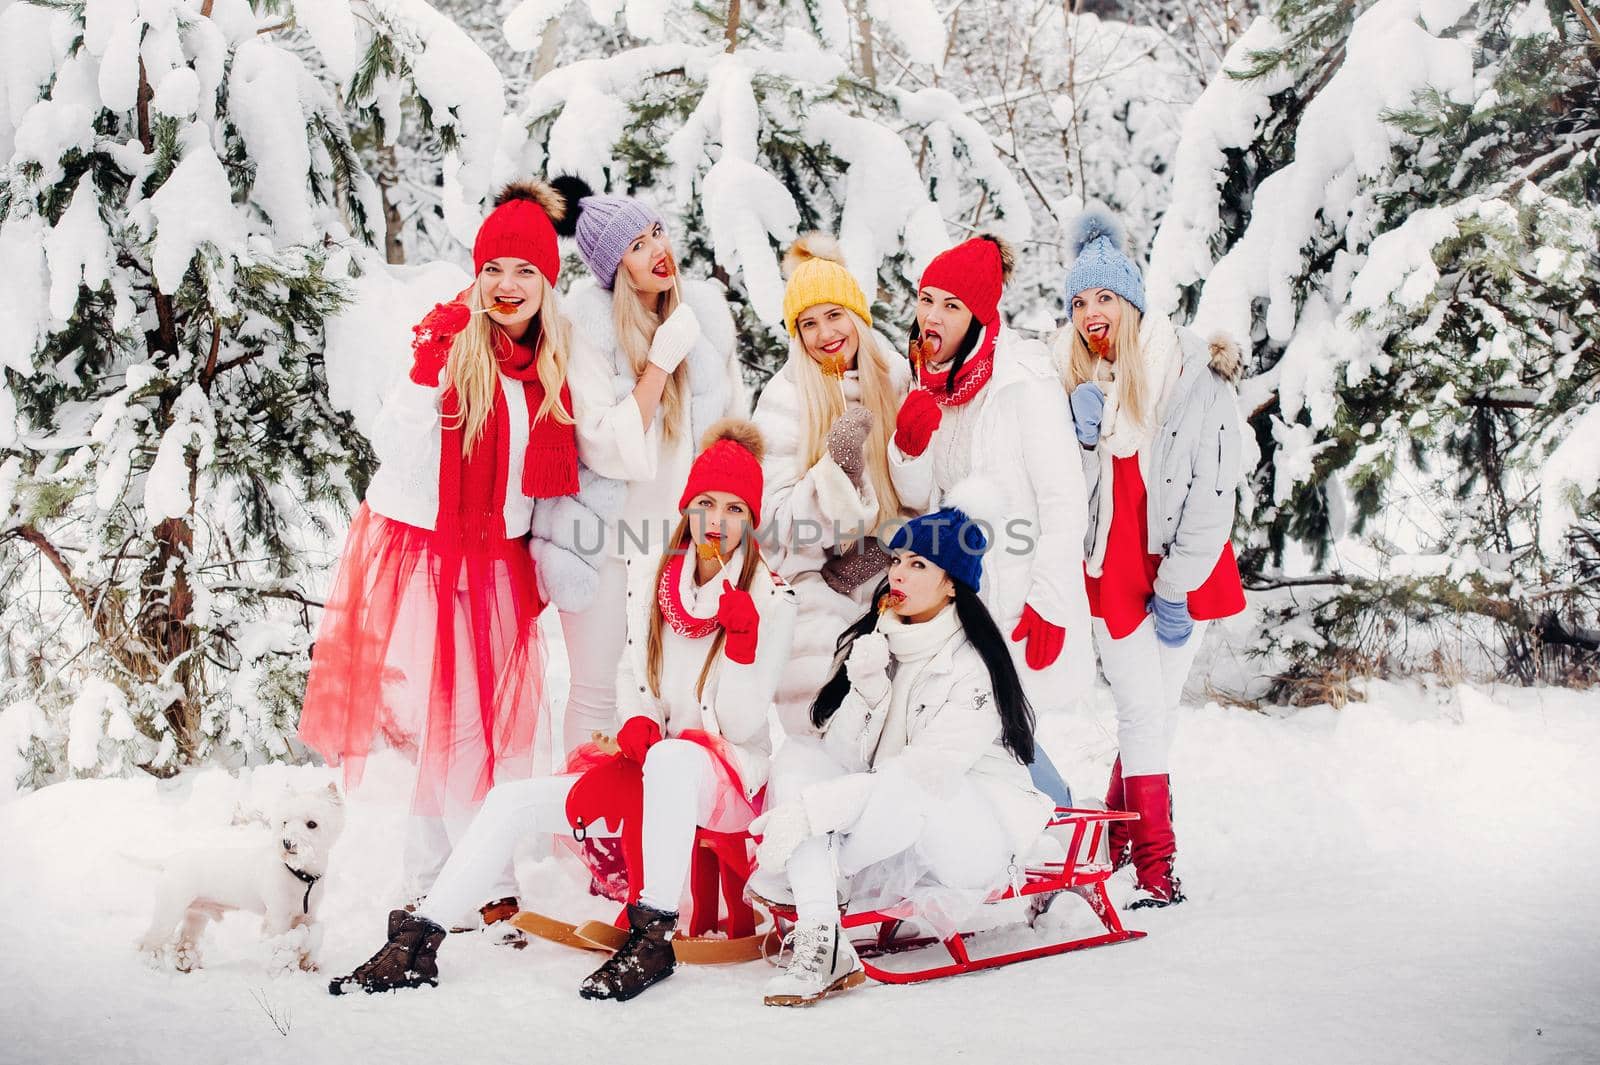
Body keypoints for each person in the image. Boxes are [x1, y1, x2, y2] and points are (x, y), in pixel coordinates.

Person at [327, 420, 797, 1000]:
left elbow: (748, 727)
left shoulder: (772, 599)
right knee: (510, 801)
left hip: (725, 775)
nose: (717, 522)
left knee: (675, 759)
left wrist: (744, 645)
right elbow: (631, 669)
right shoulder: (655, 576)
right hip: (651, 762)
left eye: (734, 509)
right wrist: (636, 718)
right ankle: (420, 941)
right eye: (705, 503)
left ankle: (652, 940)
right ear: (687, 508)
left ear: (751, 521)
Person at [299, 182, 582, 916]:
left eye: (525, 271)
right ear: (476, 274)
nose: (507, 285)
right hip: (430, 552)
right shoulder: (451, 341)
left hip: (503, 561)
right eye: (494, 268)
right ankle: (473, 884)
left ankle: (439, 880)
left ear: (548, 283)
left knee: (483, 730)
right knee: (459, 728)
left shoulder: (551, 366)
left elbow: (542, 484)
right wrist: (427, 369)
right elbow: (393, 447)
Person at [748, 502, 1053, 1007]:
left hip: (970, 838)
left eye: (919, 565)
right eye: (897, 560)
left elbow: (923, 775)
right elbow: (845, 761)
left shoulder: (971, 668)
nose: (898, 574)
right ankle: (825, 939)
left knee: (909, 779)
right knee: (799, 755)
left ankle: (817, 886)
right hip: (886, 829)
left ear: (952, 583)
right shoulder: (880, 640)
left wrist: (809, 816)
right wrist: (867, 690)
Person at [1056, 207, 1247, 908]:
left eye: (1103, 296)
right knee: (1144, 710)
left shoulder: (1196, 372)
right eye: (1077, 302)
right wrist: (1077, 442)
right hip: (1113, 570)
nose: (1089, 313)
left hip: (1182, 568)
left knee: (1154, 711)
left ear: (1132, 300)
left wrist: (1175, 587)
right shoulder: (1078, 384)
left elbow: (1213, 491)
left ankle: (1121, 846)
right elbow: (1071, 506)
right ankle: (1154, 866)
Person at [546, 176, 747, 756]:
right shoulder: (586, 325)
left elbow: (730, 429)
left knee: (677, 696)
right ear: (614, 269)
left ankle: (655, 824)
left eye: (655, 231)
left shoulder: (702, 314)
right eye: (636, 245)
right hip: (606, 540)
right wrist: (659, 362)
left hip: (681, 544)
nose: (658, 249)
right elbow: (602, 444)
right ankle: (585, 829)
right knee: (594, 693)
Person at [886, 234, 1094, 716]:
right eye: (926, 300)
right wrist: (909, 449)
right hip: (957, 604)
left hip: (1019, 596)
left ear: (977, 315)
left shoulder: (1024, 380)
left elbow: (1063, 501)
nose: (932, 317)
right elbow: (921, 504)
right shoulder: (925, 380)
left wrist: (1051, 600)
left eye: (951, 306)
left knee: (1022, 744)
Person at [752, 233, 911, 736]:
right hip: (814, 576)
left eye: (834, 315)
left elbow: (923, 492)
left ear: (857, 317)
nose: (824, 333)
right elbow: (775, 529)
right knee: (826, 714)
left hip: (892, 567)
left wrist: (882, 549)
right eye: (808, 323)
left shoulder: (897, 381)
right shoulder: (784, 397)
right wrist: (833, 475)